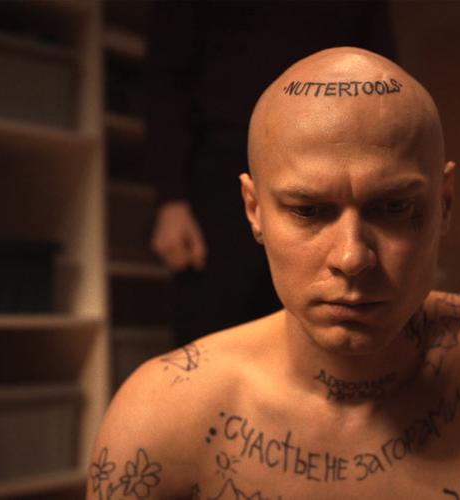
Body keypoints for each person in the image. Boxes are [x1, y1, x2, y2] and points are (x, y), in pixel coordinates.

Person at [90, 47, 460, 500]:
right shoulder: (161, 413)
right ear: (254, 210)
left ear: (444, 204)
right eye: (308, 210)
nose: (351, 257)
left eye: (393, 208)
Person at [147, 1, 395, 346]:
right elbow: (166, 78)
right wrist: (171, 198)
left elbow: (381, 69)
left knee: (326, 319)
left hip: (336, 153)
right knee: (216, 327)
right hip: (222, 161)